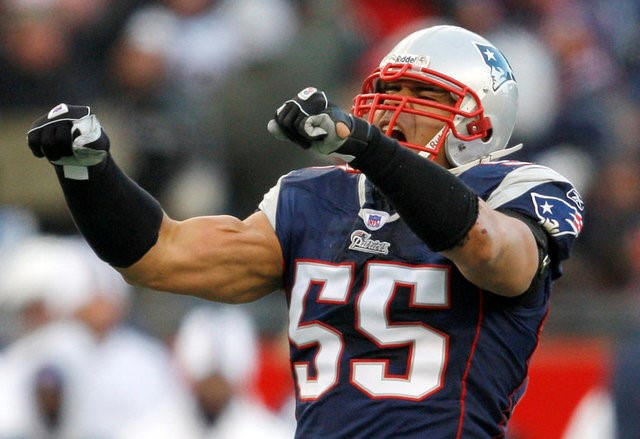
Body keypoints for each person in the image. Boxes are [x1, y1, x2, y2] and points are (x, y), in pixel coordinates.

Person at [25, 25, 583, 438]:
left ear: (479, 121)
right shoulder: (315, 198)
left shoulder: (517, 189)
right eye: (388, 91)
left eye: (422, 95)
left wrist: (370, 149)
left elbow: (490, 252)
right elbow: (160, 256)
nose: (393, 110)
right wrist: (89, 172)